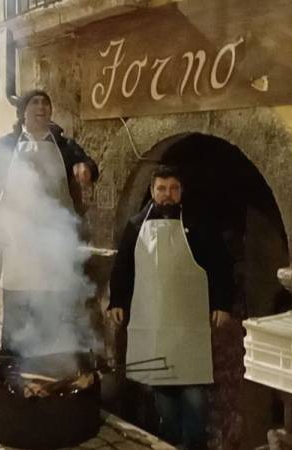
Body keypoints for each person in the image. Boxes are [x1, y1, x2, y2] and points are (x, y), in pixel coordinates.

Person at [108, 165, 233, 450]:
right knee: (162, 388)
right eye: (161, 188)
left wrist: (222, 303)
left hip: (189, 323)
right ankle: (171, 442)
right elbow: (123, 268)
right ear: (152, 191)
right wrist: (117, 300)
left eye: (173, 188)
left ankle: (194, 443)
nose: (167, 195)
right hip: (152, 321)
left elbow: (221, 266)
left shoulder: (199, 225)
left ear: (181, 192)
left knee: (194, 395)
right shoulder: (136, 225)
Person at [0, 89, 98, 354]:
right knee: (18, 306)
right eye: (34, 102)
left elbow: (90, 165)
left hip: (56, 239)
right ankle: (13, 368)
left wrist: (86, 169)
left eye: (45, 103)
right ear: (23, 111)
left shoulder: (64, 145)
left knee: (55, 305)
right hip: (18, 240)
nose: (41, 107)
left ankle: (53, 362)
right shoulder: (6, 145)